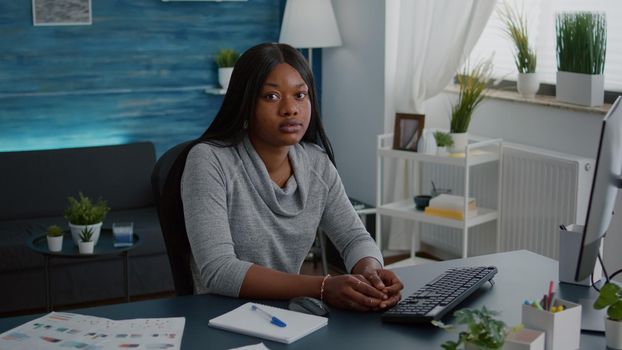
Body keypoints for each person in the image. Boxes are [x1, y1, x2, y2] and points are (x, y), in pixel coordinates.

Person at [165, 42, 403, 311]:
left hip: (286, 315)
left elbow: (354, 238)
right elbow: (219, 270)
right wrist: (322, 287)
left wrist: (370, 272)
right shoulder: (209, 160)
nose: (290, 108)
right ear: (245, 103)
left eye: (300, 96)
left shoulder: (317, 163)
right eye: (272, 97)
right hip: (218, 318)